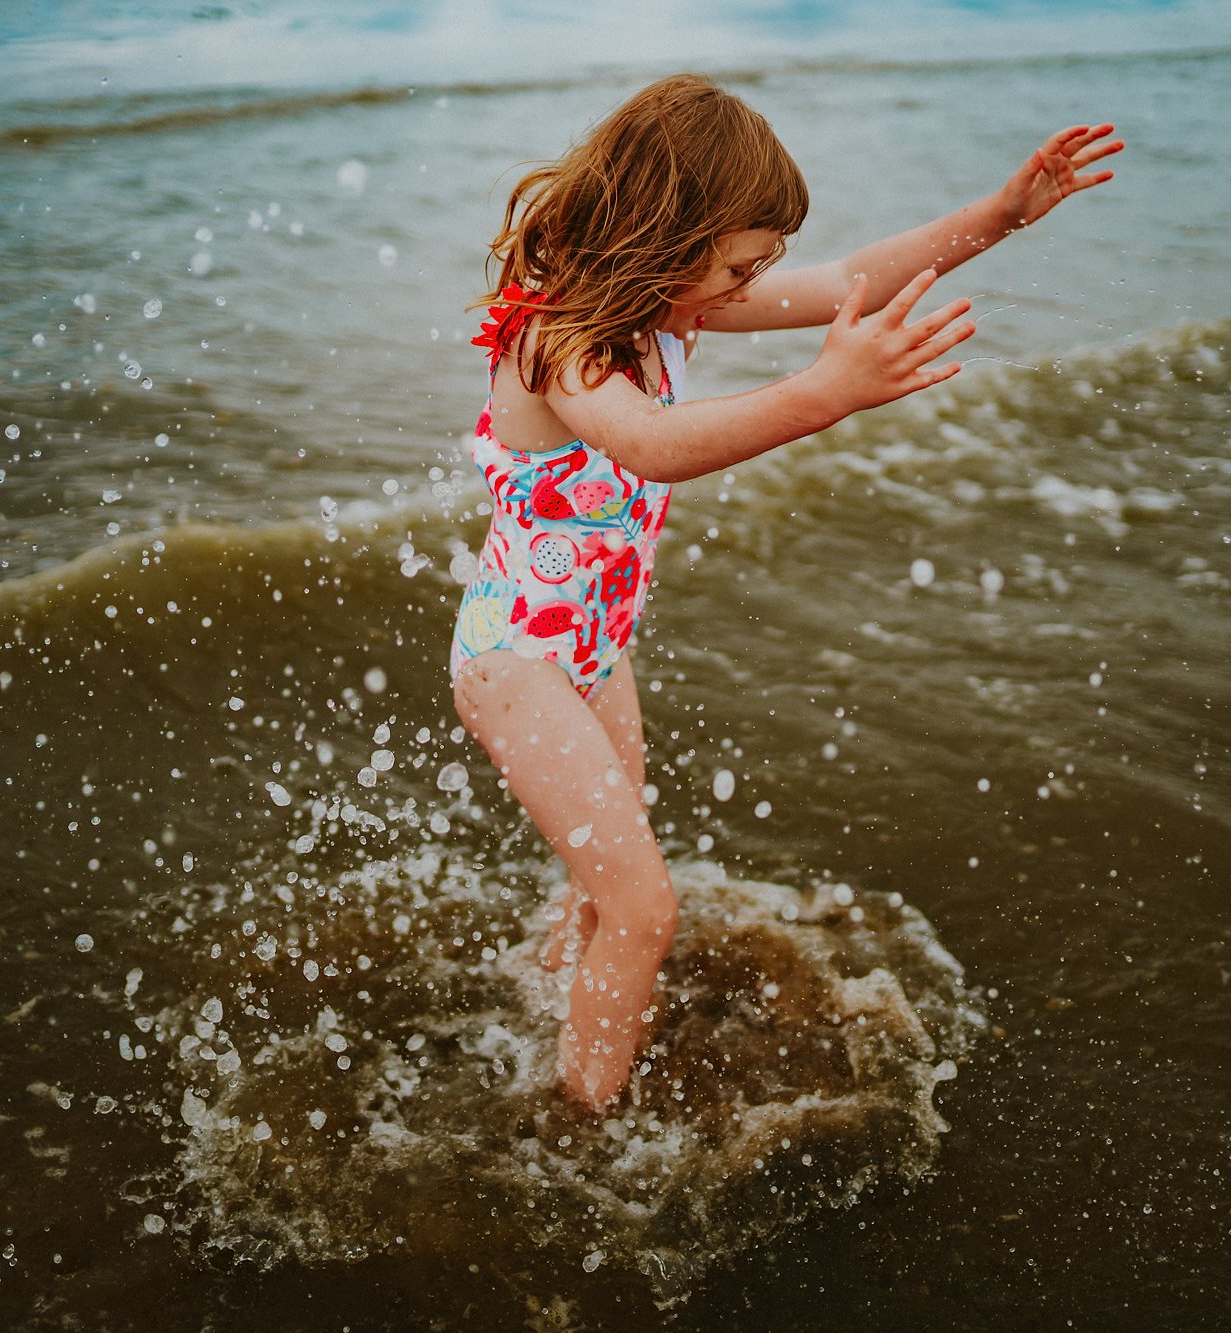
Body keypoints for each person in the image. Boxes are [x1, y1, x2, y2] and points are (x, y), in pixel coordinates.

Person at [450, 73, 1120, 1110]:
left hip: (595, 643)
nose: (752, 283)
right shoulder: (558, 340)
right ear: (667, 237)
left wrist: (998, 216)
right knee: (643, 906)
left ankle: (549, 1007)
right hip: (517, 662)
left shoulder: (672, 309)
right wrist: (824, 392)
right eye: (739, 264)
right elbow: (654, 445)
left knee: (603, 892)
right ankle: (575, 1128)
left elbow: (850, 275)